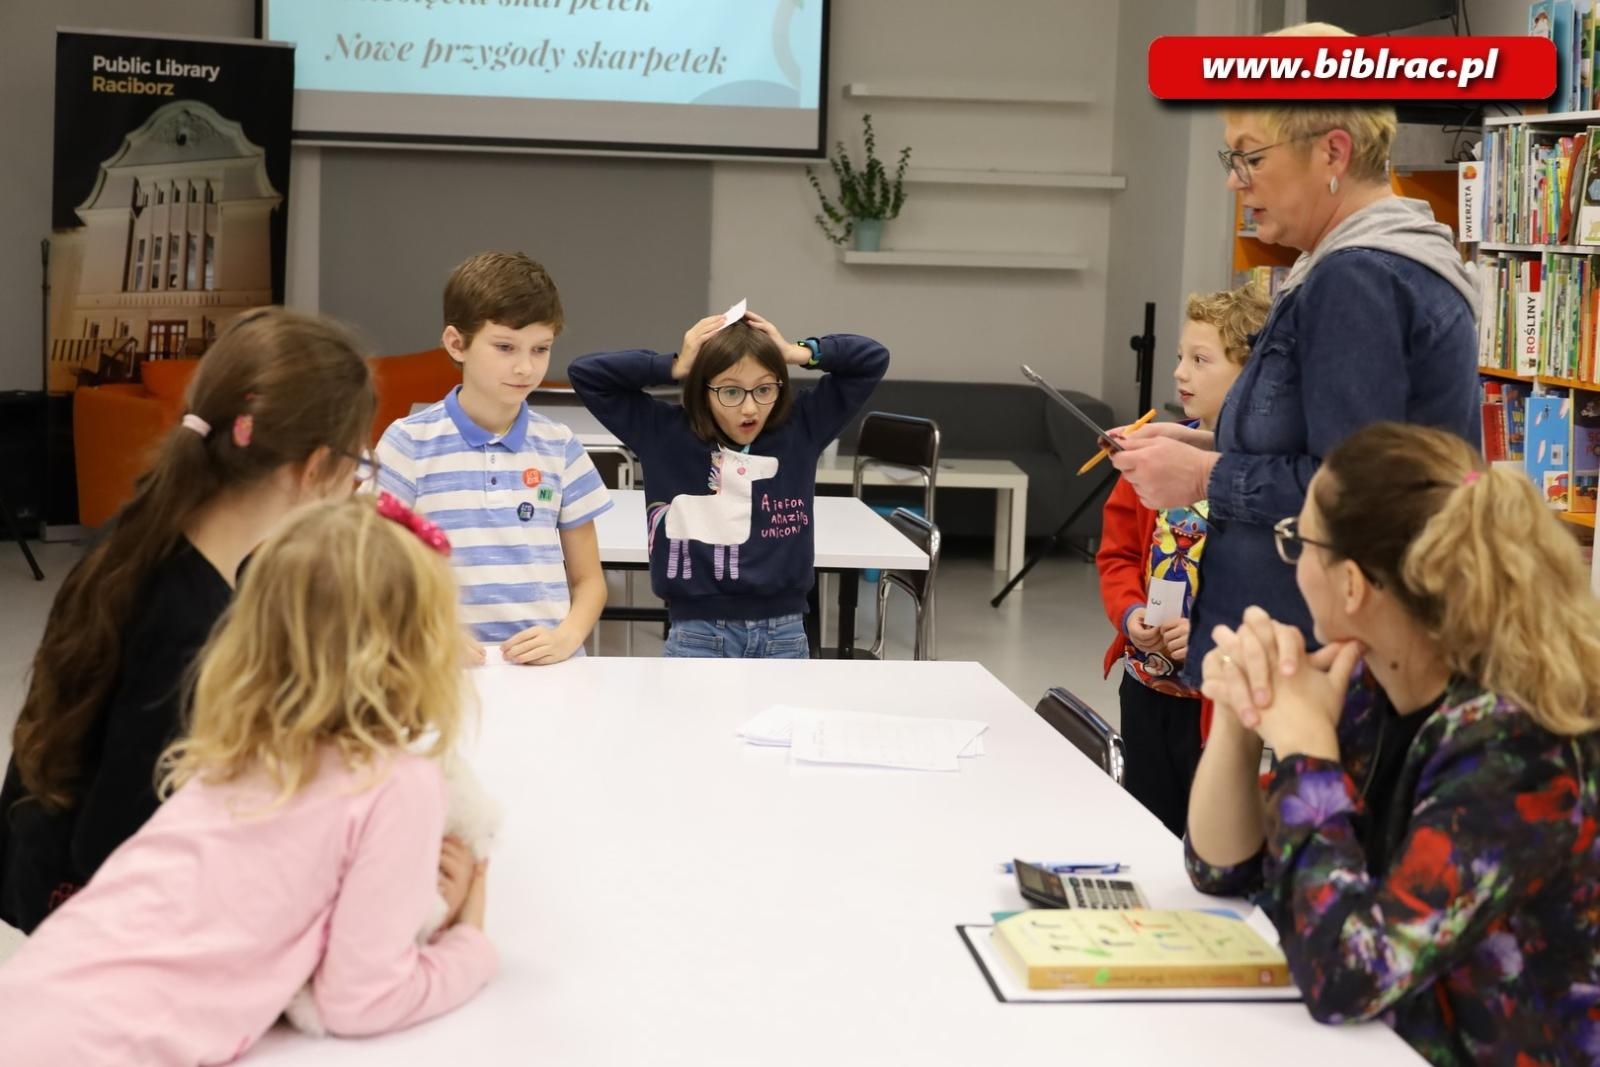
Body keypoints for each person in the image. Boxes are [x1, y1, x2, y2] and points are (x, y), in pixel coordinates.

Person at [0, 495, 496, 1063]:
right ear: (422, 649)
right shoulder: (397, 785)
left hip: (33, 999)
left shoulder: (232, 748)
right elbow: (359, 1000)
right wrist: (467, 943)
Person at [1188, 423, 1600, 1065]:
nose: (1292, 560)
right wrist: (1246, 712)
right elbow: (1224, 871)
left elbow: (1348, 976)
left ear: (1351, 584)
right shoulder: (1374, 684)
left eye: (1298, 541)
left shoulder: (1517, 747)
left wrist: (1305, 754)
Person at [1109, 22, 1480, 686]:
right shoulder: (1353, 264)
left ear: (1333, 152)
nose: (1235, 182)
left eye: (1251, 157)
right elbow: (1329, 438)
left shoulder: (1357, 278)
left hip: (1329, 670)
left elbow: (1352, 492)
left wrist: (1202, 480)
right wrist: (1205, 446)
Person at [0, 308, 377, 933]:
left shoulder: (150, 533)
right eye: (359, 466)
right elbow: (122, 844)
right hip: (97, 918)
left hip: (56, 861)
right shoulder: (187, 620)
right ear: (315, 470)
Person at [568, 313, 888, 657]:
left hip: (785, 632)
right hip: (698, 634)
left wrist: (796, 352)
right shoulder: (662, 433)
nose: (749, 408)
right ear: (702, 387)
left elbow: (871, 358)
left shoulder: (802, 426)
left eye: (764, 389)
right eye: (730, 391)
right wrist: (675, 365)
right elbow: (587, 374)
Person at [376, 251, 611, 665]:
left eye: (541, 349)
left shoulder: (559, 445)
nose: (525, 367)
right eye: (505, 347)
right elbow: (366, 571)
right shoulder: (407, 443)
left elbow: (589, 580)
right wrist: (424, 634)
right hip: (441, 671)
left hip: (547, 671)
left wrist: (567, 636)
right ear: (456, 343)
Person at [1097, 283, 1269, 836]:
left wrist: (1203, 630)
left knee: (1208, 839)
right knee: (1146, 829)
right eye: (1179, 357)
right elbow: (1118, 554)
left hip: (1214, 705)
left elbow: (1270, 588)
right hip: (1146, 687)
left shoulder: (1263, 477)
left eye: (1200, 360)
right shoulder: (1152, 455)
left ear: (1249, 372)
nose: (1179, 374)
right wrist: (1129, 617)